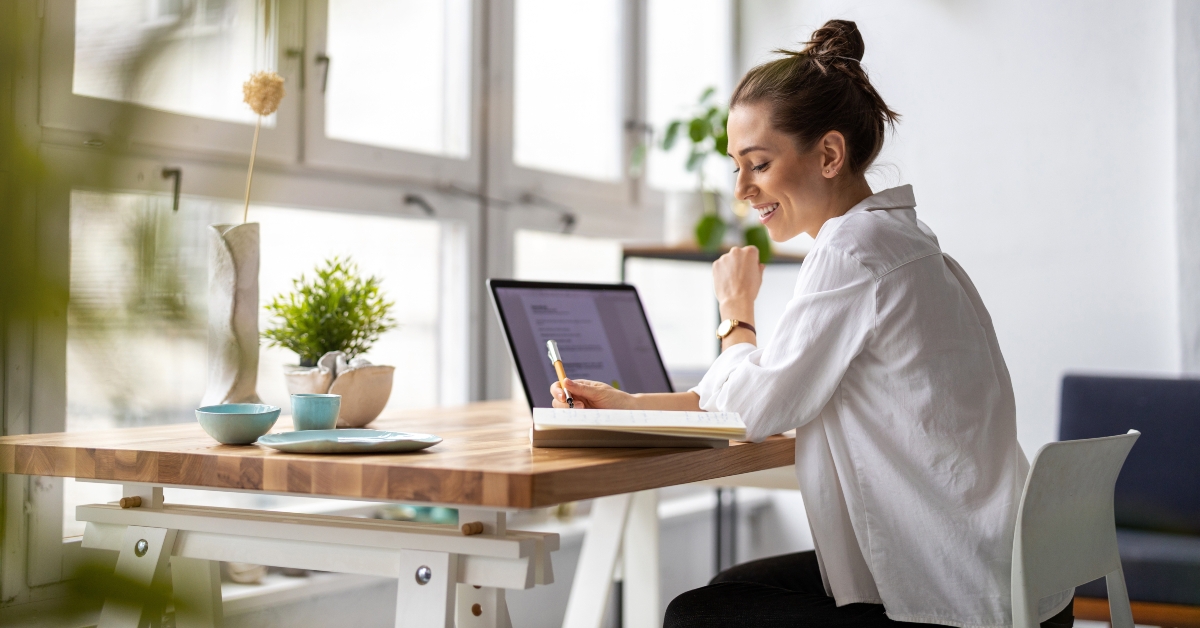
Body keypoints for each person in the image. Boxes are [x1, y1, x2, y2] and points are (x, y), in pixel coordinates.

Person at [551, 18, 1075, 628]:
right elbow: (769, 388)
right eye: (735, 167)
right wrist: (629, 404)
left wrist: (735, 314)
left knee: (698, 615)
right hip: (1010, 580)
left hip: (958, 598)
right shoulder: (902, 241)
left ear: (828, 154)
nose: (742, 188)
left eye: (758, 164)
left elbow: (754, 410)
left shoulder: (852, 252)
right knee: (732, 588)